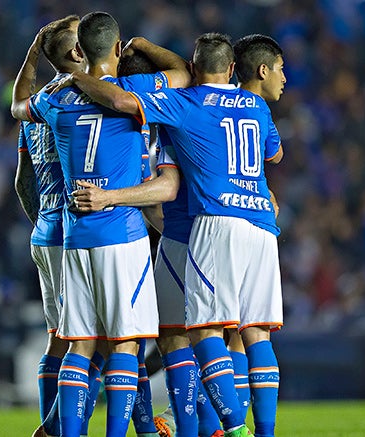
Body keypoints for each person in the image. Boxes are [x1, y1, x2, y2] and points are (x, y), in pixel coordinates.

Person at [61, 32, 285, 437]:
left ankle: (208, 428)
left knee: (178, 336)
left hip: (192, 231)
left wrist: (78, 77)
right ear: (232, 69)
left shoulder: (173, 110)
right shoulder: (251, 105)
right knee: (242, 332)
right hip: (252, 224)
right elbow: (273, 154)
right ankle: (224, 427)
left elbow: (165, 185)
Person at [14, 11, 190, 437]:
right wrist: (144, 45)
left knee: (76, 341)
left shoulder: (51, 101)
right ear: (110, 48)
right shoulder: (133, 91)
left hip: (67, 231)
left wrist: (37, 54)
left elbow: (18, 108)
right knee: (125, 343)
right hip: (119, 231)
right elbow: (182, 73)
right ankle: (127, 431)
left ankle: (56, 430)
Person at [10, 15, 85, 437]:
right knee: (88, 339)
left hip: (45, 230)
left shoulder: (38, 103)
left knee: (59, 336)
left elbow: (23, 182)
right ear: (78, 52)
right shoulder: (80, 99)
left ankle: (53, 427)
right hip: (73, 233)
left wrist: (33, 51)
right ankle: (53, 428)